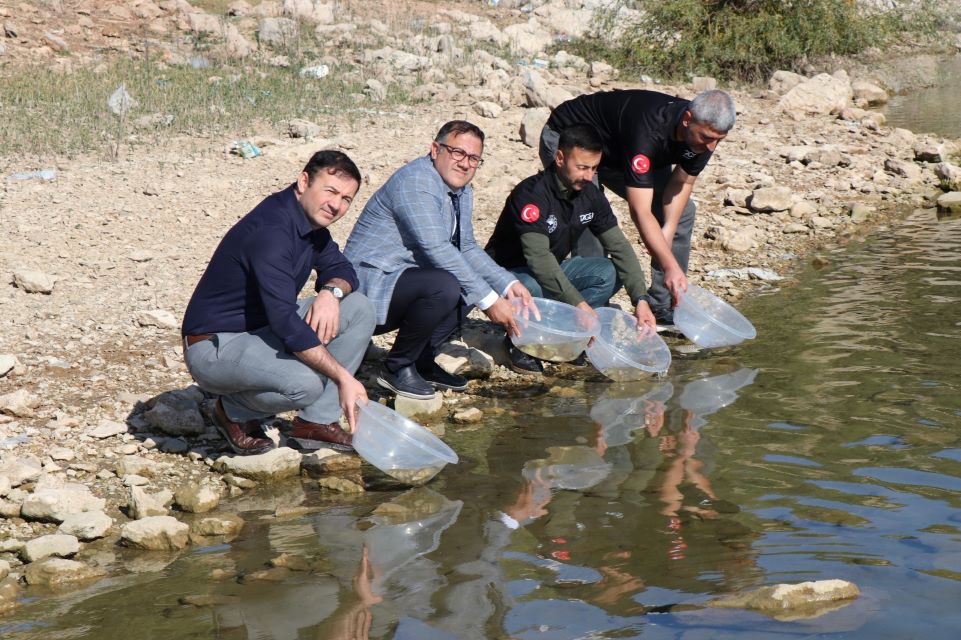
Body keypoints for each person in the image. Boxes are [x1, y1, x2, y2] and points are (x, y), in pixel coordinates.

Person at [181, 150, 376, 455]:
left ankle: (316, 423)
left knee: (359, 308)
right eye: (331, 191)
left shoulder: (311, 226)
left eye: (347, 199)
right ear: (303, 182)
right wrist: (343, 378)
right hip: (214, 344)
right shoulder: (272, 231)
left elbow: (343, 269)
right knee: (306, 385)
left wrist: (331, 294)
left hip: (259, 330)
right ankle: (232, 411)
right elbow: (286, 323)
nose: (336, 205)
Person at [344, 120, 533, 400]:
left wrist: (507, 284)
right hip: (368, 289)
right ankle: (397, 367)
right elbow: (436, 249)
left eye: (473, 158)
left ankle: (421, 359)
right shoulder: (417, 182)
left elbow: (465, 247)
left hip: (404, 280)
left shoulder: (460, 190)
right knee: (446, 284)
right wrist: (490, 302)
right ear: (436, 149)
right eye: (457, 152)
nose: (465, 164)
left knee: (470, 284)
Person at [541, 89, 736, 325]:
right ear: (687, 120)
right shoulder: (650, 128)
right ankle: (591, 307)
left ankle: (663, 307)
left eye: (719, 140)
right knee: (588, 211)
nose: (712, 147)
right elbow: (640, 210)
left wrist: (668, 231)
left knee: (683, 213)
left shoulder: (703, 136)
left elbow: (682, 183)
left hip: (622, 151)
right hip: (572, 138)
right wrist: (669, 263)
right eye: (707, 138)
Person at [486, 123, 656, 374]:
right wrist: (579, 304)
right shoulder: (532, 194)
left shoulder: (590, 194)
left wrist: (640, 299)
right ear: (559, 157)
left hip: (549, 271)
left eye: (594, 168)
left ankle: (569, 336)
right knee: (528, 289)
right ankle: (519, 342)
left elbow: (619, 247)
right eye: (582, 167)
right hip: (509, 274)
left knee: (612, 271)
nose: (588, 176)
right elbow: (539, 259)